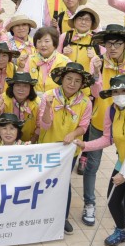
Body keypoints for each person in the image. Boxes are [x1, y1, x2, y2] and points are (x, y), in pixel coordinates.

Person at [77, 74, 125, 246]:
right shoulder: (111, 111)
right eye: (116, 92)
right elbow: (107, 139)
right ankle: (121, 230)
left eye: (124, 91)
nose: (119, 95)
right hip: (122, 163)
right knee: (113, 202)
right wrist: (85, 145)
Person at [38, 61, 94, 235]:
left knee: (63, 182)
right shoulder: (48, 95)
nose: (72, 84)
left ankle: (63, 218)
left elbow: (84, 126)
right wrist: (48, 107)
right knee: (42, 182)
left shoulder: (85, 102)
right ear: (61, 79)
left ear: (82, 84)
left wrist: (73, 134)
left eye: (77, 81)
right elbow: (44, 125)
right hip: (47, 148)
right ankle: (39, 215)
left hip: (70, 151)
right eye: (68, 79)